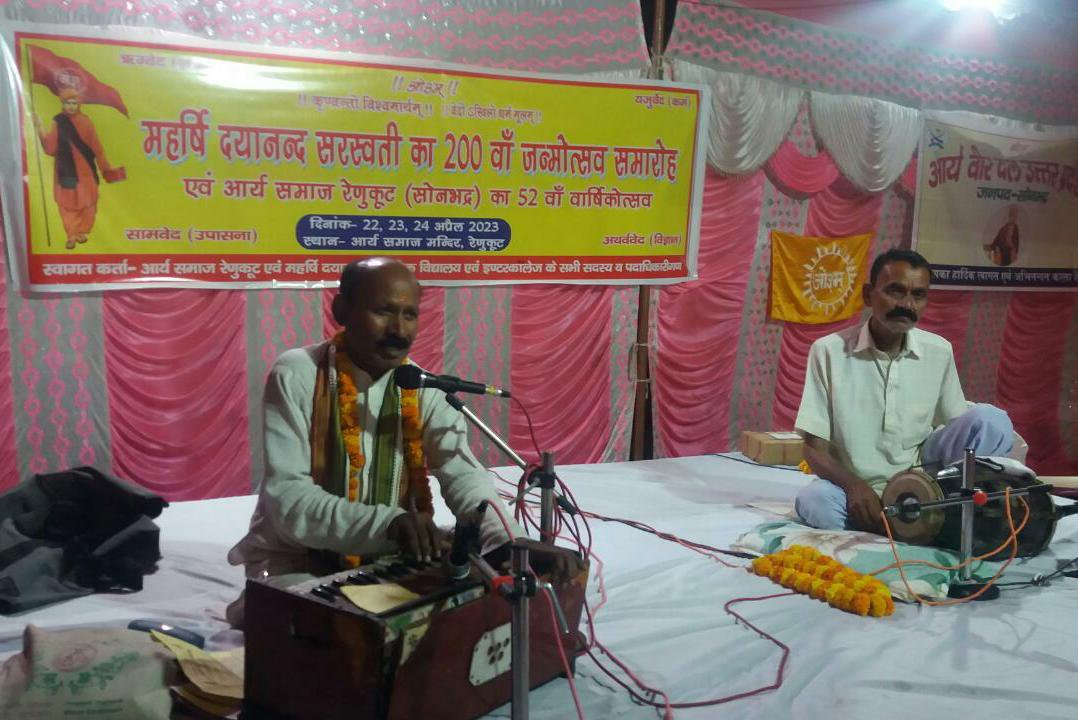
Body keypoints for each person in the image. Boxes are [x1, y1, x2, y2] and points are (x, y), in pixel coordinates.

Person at [227, 258, 581, 627]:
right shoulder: (299, 373)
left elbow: (463, 474)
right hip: (297, 559)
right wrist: (391, 525)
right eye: (383, 311)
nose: (398, 330)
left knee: (481, 593)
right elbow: (288, 500)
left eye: (409, 315)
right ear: (341, 310)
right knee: (318, 627)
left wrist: (509, 540)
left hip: (391, 558)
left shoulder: (422, 386)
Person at [793, 249, 1014, 534]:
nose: (907, 305)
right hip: (861, 487)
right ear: (868, 295)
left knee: (991, 420)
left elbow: (953, 427)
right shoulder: (829, 351)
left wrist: (933, 486)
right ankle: (915, 527)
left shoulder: (938, 350)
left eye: (918, 295)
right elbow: (813, 448)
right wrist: (855, 487)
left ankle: (942, 512)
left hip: (924, 481)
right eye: (895, 291)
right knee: (817, 501)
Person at [33, 87, 124, 250]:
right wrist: (40, 128)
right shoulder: (58, 121)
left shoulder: (86, 122)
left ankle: (81, 231)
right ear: (63, 104)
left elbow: (97, 148)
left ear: (79, 104)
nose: (71, 106)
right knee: (67, 204)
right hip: (65, 171)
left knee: (88, 203)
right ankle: (71, 235)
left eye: (74, 103)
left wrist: (105, 168)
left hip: (86, 171)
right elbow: (50, 149)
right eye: (68, 103)